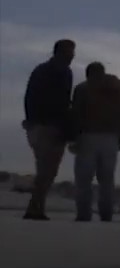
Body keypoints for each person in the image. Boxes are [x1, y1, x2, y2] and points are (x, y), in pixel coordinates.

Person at [69, 62, 120, 222]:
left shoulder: (83, 89)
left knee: (84, 179)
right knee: (107, 179)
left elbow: (76, 115)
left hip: (87, 136)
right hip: (111, 138)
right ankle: (106, 214)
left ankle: (84, 214)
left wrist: (73, 137)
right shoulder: (118, 90)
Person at [21, 39, 75, 220]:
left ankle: (36, 207)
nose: (72, 56)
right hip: (48, 126)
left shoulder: (47, 70)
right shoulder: (60, 72)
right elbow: (60, 102)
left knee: (46, 169)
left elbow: (30, 97)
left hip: (44, 125)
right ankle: (35, 207)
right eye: (70, 52)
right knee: (47, 169)